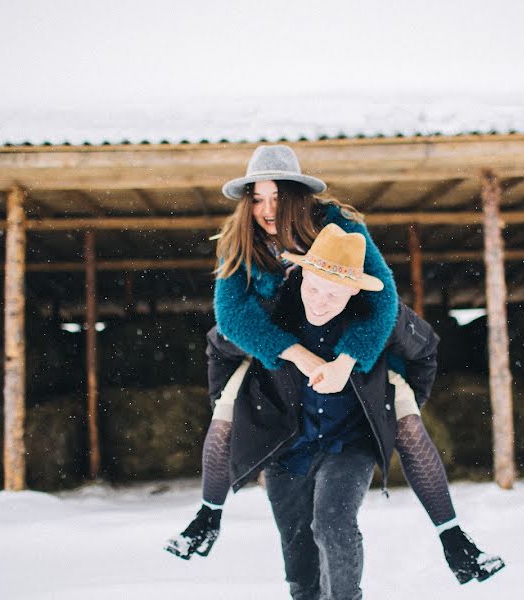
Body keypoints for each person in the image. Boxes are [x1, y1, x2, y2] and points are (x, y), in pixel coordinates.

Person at [165, 146, 503, 584]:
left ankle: (455, 539)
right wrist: (295, 353)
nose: (266, 210)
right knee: (228, 409)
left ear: (297, 196)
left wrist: (349, 360)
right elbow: (231, 316)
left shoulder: (340, 227)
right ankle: (208, 515)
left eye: (276, 197)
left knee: (405, 419)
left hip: (354, 350)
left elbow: (383, 301)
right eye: (257, 198)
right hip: (279, 350)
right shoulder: (239, 238)